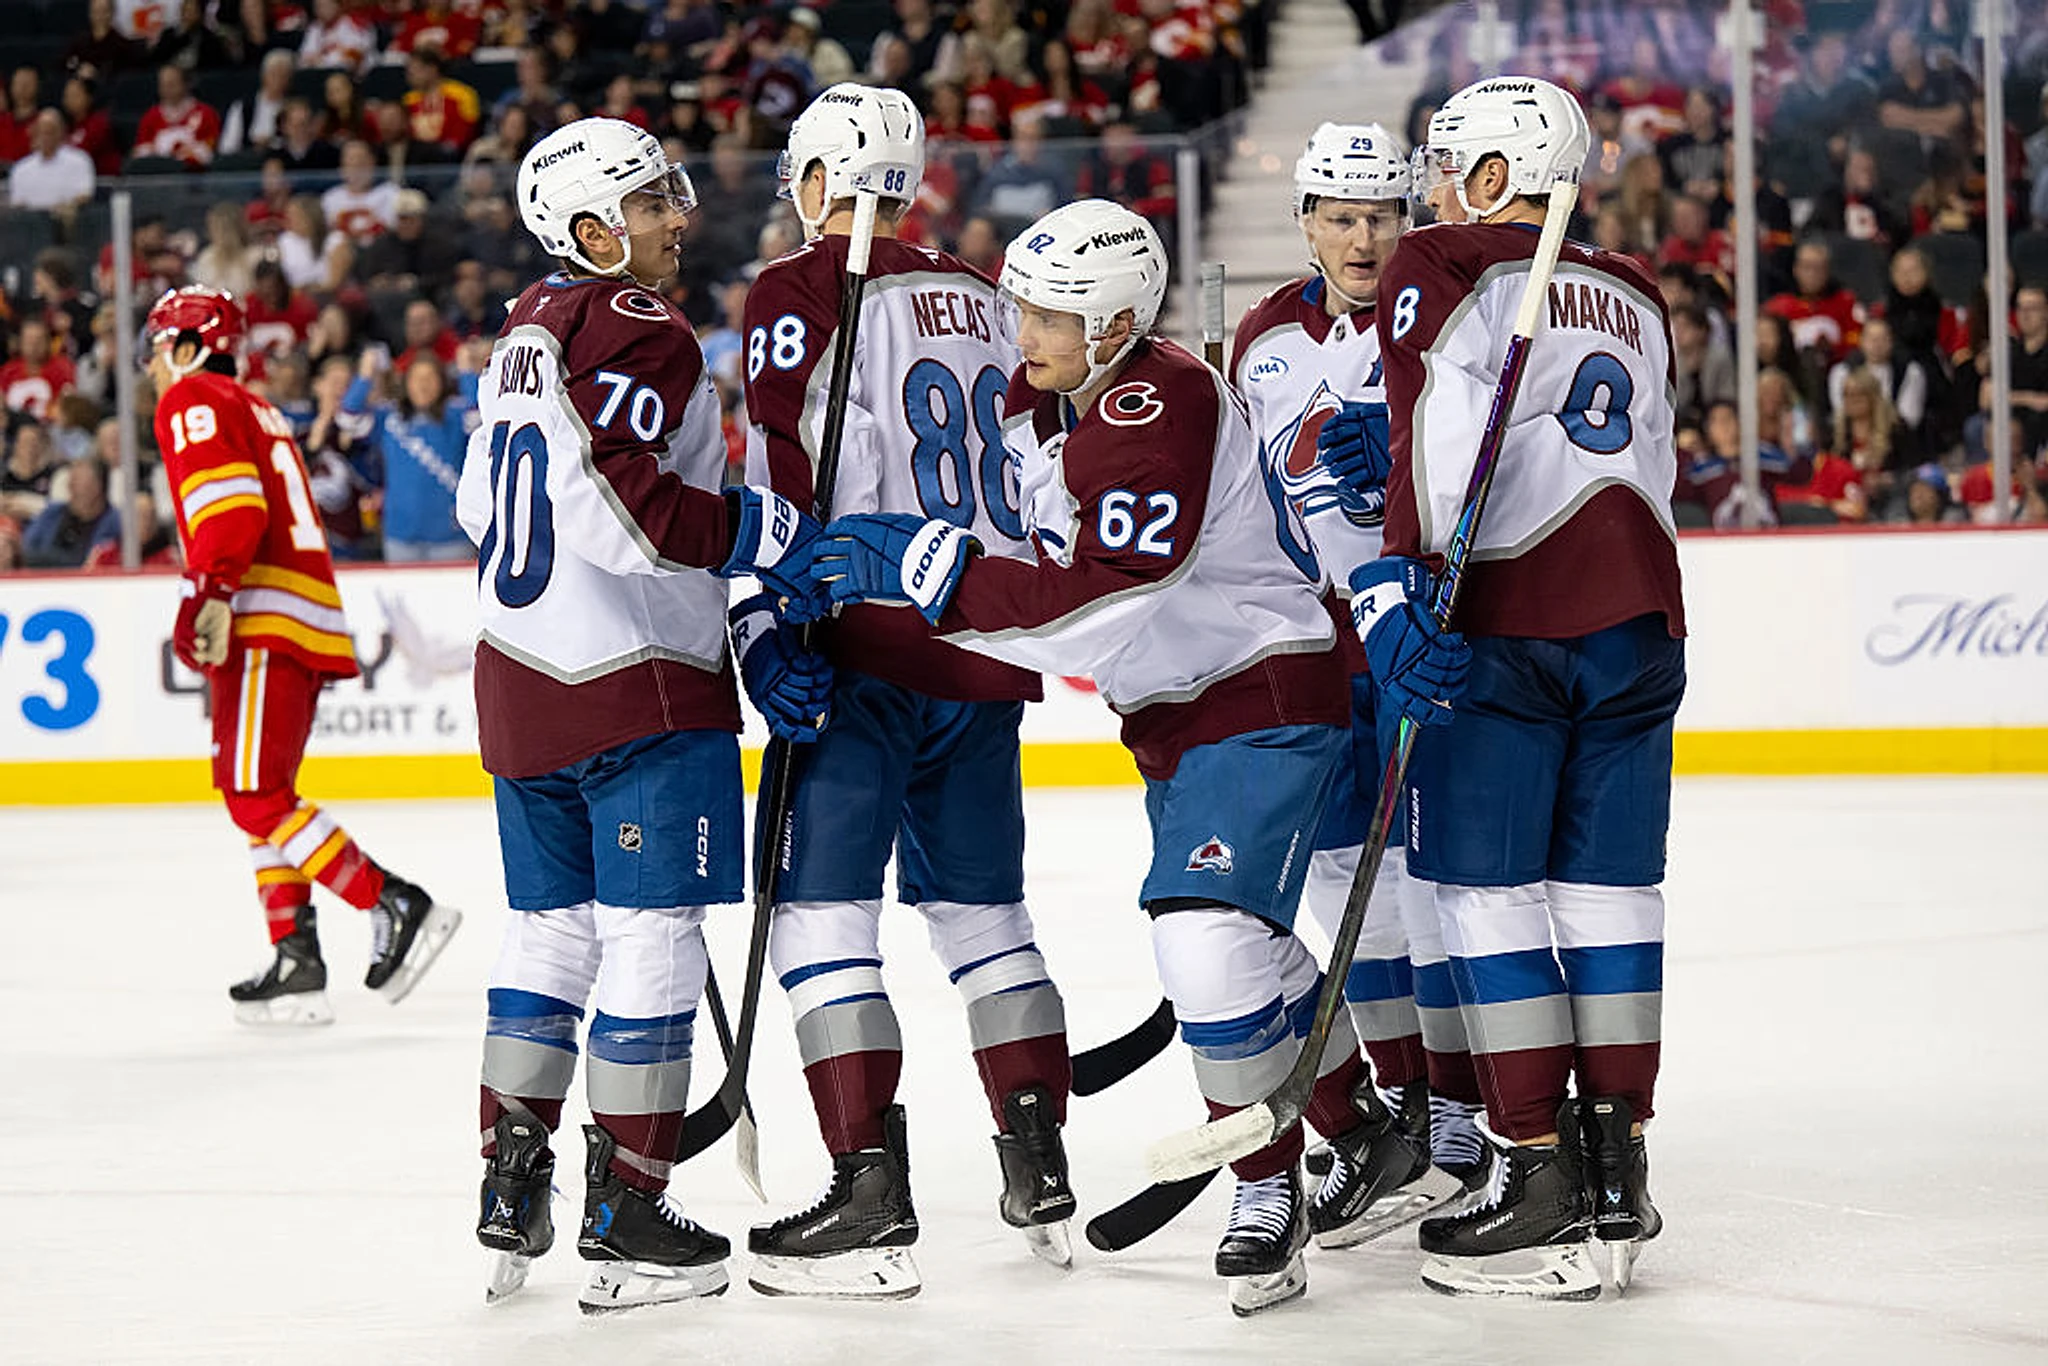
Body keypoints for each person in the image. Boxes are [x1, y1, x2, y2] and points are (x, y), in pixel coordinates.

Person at [812, 198, 1359, 1316]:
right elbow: (1053, 576)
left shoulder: (1156, 406)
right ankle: (1361, 1125)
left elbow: (1094, 610)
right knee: (1247, 946)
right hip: (1177, 713)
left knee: (1204, 941)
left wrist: (927, 571)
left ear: (1113, 325)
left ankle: (1267, 1188)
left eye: (1049, 316)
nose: (1022, 332)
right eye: (1020, 308)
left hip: (1254, 694)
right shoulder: (1049, 401)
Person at [455, 117, 828, 1314]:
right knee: (650, 936)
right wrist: (759, 529)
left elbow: (480, 505)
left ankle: (511, 1180)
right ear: (591, 229)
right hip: (635, 684)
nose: (678, 216)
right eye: (650, 202)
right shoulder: (639, 322)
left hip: (519, 673)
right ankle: (625, 1209)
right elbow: (625, 509)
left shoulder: (525, 329)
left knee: (547, 934)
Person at [739, 84, 1078, 1300]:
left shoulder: (796, 288)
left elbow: (780, 475)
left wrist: (764, 625)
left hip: (861, 647)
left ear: (817, 180)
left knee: (820, 918)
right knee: (985, 916)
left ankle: (867, 1191)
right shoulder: (988, 295)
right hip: (978, 641)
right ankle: (1038, 1161)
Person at [1371, 76, 1682, 1300]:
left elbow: (1434, 437)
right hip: (1640, 618)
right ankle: (1616, 1170)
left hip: (1506, 615)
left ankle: (1533, 1171)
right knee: (1611, 900)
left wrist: (1398, 580)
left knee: (1482, 897)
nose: (1435, 188)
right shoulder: (1636, 288)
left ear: (1495, 175)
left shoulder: (1441, 259)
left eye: (1451, 164)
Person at [1229, 120, 1486, 1253]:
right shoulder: (1260, 338)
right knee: (1342, 878)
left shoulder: (1447, 320)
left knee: (1433, 877)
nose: (1363, 238)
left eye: (1382, 214)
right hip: (1311, 641)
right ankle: (1403, 1105)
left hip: (1422, 626)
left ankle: (1462, 1112)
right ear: (1305, 222)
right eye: (1340, 217)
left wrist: (1411, 462)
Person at [145, 285, 459, 1026]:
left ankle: (391, 902)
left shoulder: (193, 398)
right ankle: (295, 957)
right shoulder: (254, 406)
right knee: (263, 793)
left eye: (157, 350)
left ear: (187, 349)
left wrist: (208, 592)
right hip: (296, 614)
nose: (152, 368)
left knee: (254, 793)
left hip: (263, 615)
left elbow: (231, 509)